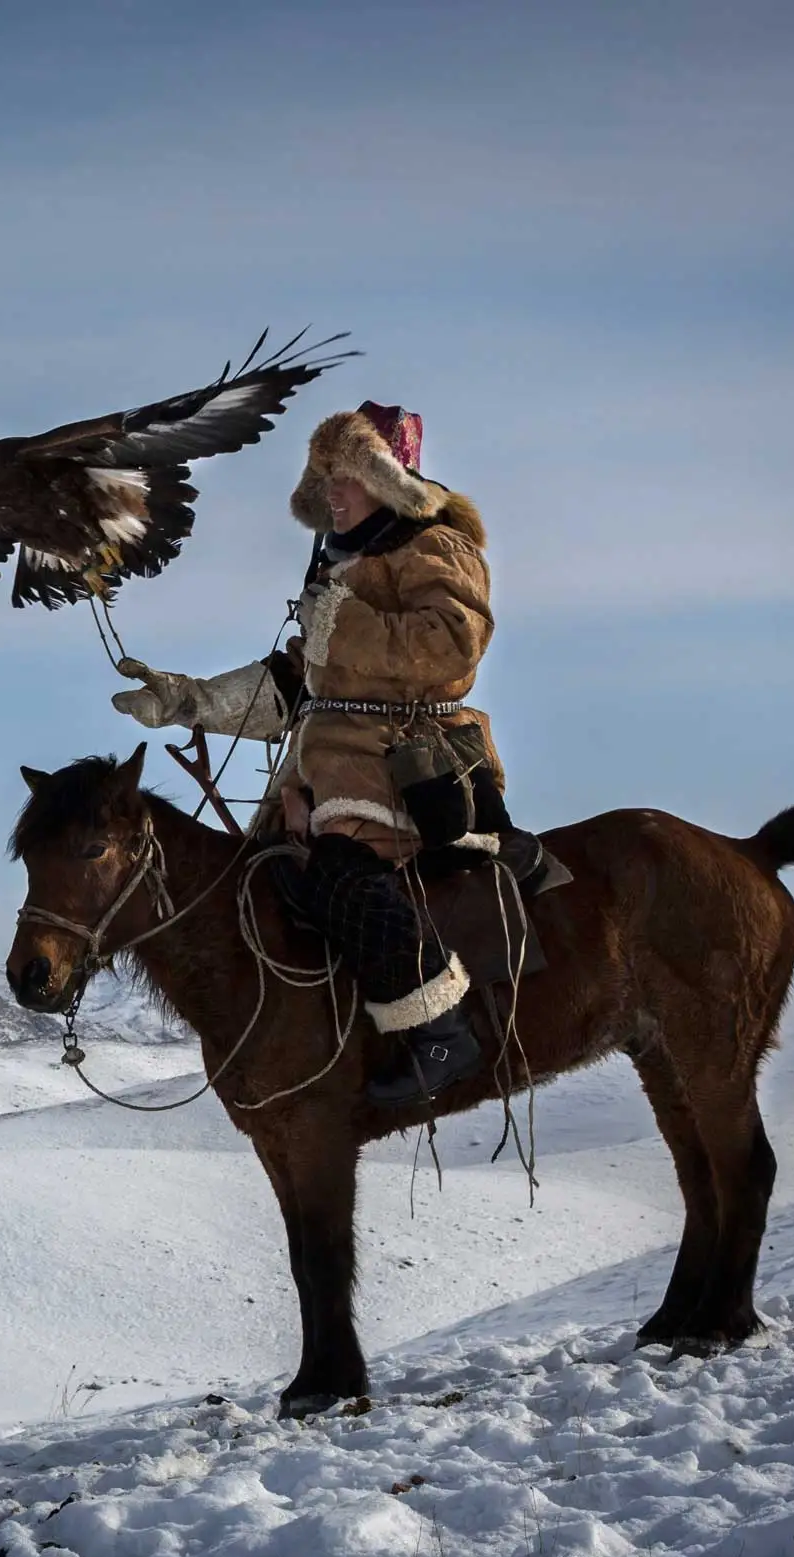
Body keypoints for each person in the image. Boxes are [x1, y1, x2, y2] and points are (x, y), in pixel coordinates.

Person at [111, 402, 550, 1107]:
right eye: (325, 478)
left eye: (345, 477)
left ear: (388, 478)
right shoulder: (348, 567)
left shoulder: (436, 548)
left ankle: (440, 1027)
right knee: (260, 884)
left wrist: (341, 622)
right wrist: (186, 700)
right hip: (338, 760)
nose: (333, 494)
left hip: (410, 762)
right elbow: (303, 689)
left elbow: (454, 643)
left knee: (338, 877)